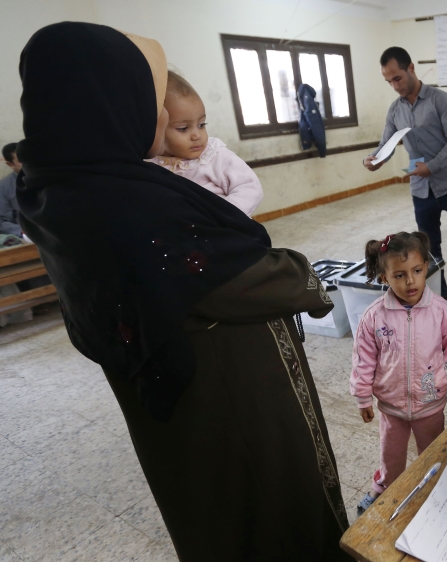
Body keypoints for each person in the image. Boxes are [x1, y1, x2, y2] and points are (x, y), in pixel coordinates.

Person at [16, 22, 349, 559]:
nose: (166, 117)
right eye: (148, 98)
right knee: (269, 520)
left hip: (173, 411)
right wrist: (303, 273)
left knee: (209, 512)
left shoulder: (54, 186)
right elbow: (244, 278)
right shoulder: (129, 203)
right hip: (228, 407)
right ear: (106, 101)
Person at [350, 231, 447, 513]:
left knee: (432, 452)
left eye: (416, 271)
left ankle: (433, 489)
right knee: (390, 455)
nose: (410, 281)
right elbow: (363, 359)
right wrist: (362, 397)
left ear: (426, 267)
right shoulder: (374, 316)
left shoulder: (442, 311)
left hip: (431, 403)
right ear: (384, 277)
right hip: (391, 406)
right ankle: (383, 489)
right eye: (400, 275)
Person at [364, 47, 447, 300]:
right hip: (421, 191)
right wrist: (374, 159)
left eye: (397, 78)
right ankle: (441, 301)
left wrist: (430, 166)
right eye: (388, 81)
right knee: (428, 251)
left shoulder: (439, 99)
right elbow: (386, 144)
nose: (394, 85)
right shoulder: (394, 110)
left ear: (411, 68)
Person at [147, 71, 263, 216]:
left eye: (202, 124)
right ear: (156, 127)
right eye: (183, 129)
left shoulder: (213, 154)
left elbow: (250, 186)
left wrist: (225, 215)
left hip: (225, 229)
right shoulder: (149, 164)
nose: (197, 135)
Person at [1, 143, 22, 236]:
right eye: (22, 160)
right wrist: (24, 232)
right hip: (26, 236)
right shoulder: (3, 187)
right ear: (10, 164)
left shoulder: (46, 178)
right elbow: (2, 222)